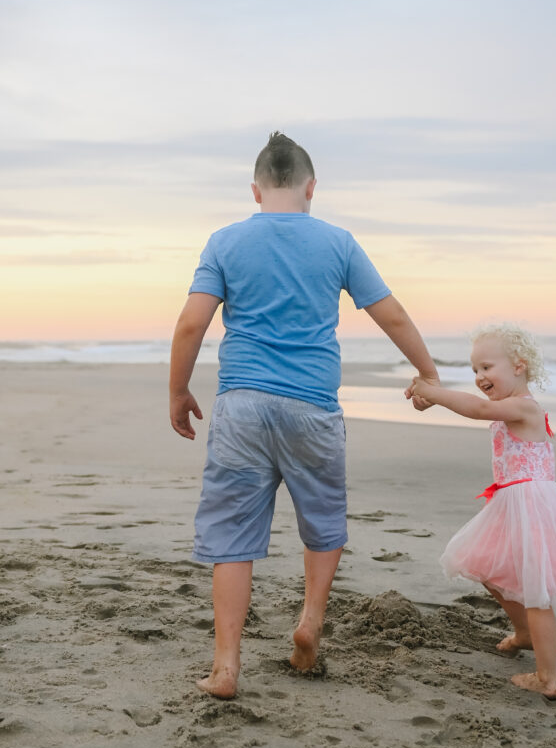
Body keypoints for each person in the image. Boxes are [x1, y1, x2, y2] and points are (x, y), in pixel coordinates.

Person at [170, 131, 439, 699]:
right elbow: (389, 313)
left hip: (242, 405)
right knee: (322, 520)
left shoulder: (225, 241)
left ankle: (225, 666)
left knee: (231, 534)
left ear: (256, 189)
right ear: (312, 187)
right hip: (313, 404)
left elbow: (192, 323)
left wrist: (178, 391)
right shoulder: (337, 242)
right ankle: (310, 622)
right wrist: (428, 372)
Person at [406, 323, 556, 700]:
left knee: (536, 592)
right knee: (488, 568)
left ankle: (547, 677)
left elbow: (476, 408)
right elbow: (477, 406)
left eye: (487, 367)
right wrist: (431, 397)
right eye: (474, 370)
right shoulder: (509, 408)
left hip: (533, 507)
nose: (479, 377)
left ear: (519, 366)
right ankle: (523, 633)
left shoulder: (523, 407)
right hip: (512, 505)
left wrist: (435, 393)